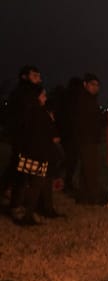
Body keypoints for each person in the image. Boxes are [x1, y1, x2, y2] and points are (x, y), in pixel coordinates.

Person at [10, 85, 61, 225]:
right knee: (36, 185)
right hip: (40, 153)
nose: (45, 97)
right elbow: (50, 135)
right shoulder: (41, 113)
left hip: (29, 152)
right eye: (43, 94)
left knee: (33, 183)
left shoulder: (28, 112)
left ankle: (28, 212)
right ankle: (27, 216)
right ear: (37, 96)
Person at [1, 65, 43, 205]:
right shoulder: (22, 94)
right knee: (20, 170)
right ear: (24, 77)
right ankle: (15, 204)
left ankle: (8, 194)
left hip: (27, 136)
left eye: (39, 76)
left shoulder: (31, 93)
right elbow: (22, 117)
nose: (38, 79)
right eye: (34, 76)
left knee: (15, 167)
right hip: (23, 137)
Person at [73, 73, 103, 205]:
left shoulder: (90, 99)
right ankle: (93, 196)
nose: (96, 87)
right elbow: (85, 120)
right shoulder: (84, 100)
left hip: (89, 138)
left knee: (86, 169)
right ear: (85, 84)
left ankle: (83, 195)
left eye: (97, 85)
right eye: (93, 84)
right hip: (87, 138)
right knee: (91, 168)